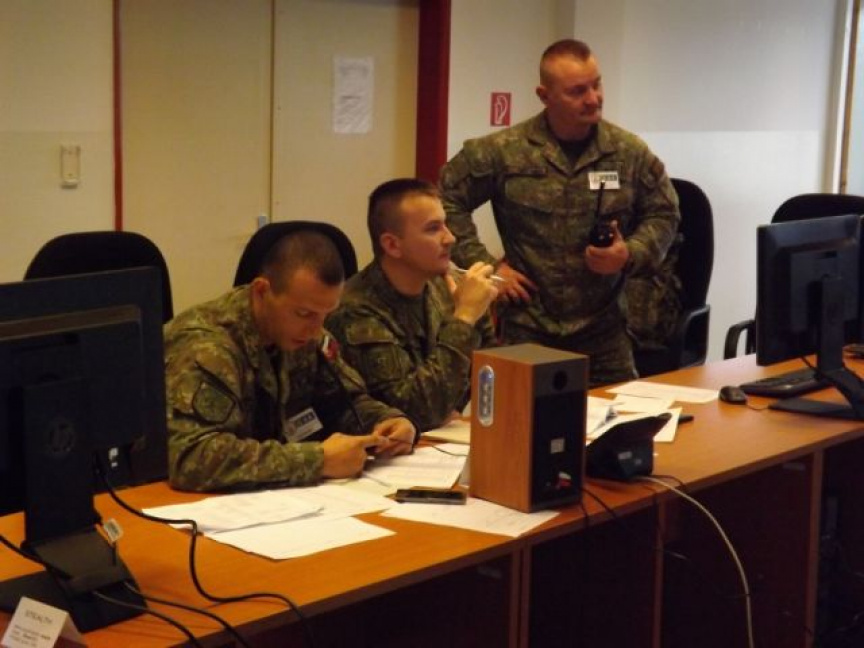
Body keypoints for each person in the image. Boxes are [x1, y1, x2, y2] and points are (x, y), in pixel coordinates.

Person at [439, 38, 680, 386]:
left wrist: (628, 253)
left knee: (622, 416)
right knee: (521, 416)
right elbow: (445, 199)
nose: (593, 98)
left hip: (604, 330)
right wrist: (487, 268)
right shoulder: (504, 151)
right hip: (528, 325)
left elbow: (664, 213)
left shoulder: (627, 152)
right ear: (544, 95)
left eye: (596, 85)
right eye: (577, 91)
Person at [164, 229, 416, 492]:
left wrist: (386, 422)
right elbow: (192, 457)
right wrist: (316, 460)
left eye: (326, 314)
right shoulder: (208, 348)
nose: (316, 331)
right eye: (304, 313)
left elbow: (343, 402)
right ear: (261, 291)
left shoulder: (304, 336)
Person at [326, 178, 498, 431]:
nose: (450, 238)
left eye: (446, 224)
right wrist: (464, 317)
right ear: (392, 245)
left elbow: (490, 369)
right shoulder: (356, 310)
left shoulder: (445, 285)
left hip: (446, 438)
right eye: (433, 229)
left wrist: (476, 314)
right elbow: (415, 412)